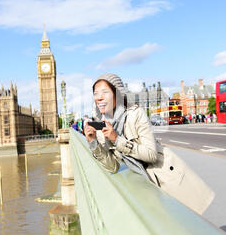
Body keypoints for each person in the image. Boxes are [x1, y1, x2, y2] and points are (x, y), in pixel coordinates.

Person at [84, 73, 214, 215]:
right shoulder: (104, 127)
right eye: (96, 93)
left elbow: (151, 155)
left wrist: (117, 140)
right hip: (146, 185)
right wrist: (93, 143)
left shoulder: (135, 114)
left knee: (189, 225)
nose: (99, 97)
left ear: (118, 94)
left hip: (166, 176)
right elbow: (113, 166)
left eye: (105, 92)